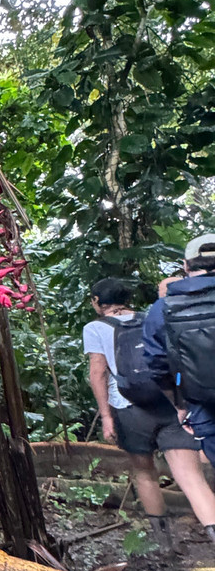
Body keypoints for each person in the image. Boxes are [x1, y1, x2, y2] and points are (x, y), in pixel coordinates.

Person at [84, 278, 215, 551]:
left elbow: (98, 372)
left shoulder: (95, 328)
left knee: (144, 473)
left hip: (129, 408)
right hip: (171, 404)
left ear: (98, 302)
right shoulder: (154, 315)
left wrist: (106, 417)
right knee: (192, 480)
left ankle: (165, 546)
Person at [143, 233, 215, 544]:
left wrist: (179, 401)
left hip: (202, 406)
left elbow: (160, 365)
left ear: (185, 266)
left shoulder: (164, 308)